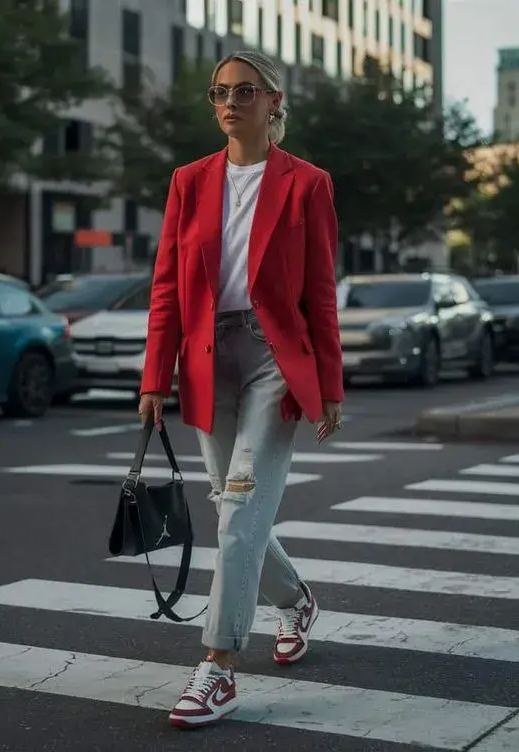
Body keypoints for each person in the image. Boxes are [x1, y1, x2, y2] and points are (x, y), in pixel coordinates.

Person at [139, 49, 343, 729]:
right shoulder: (188, 181)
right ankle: (297, 599)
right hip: (203, 357)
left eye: (246, 91)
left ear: (274, 102)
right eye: (220, 92)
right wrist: (153, 376)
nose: (231, 101)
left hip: (273, 359)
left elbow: (319, 290)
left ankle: (218, 668)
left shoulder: (308, 183)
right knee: (235, 511)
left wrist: (330, 383)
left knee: (239, 511)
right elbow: (166, 283)